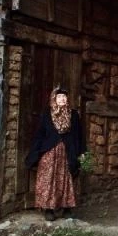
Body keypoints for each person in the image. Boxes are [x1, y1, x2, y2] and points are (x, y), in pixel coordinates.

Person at [25, 87, 86, 221]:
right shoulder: (47, 114)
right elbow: (40, 133)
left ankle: (67, 208)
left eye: (64, 97)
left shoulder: (73, 114)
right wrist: (36, 152)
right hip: (50, 152)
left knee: (66, 178)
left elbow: (79, 135)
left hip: (67, 151)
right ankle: (48, 209)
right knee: (48, 179)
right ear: (54, 99)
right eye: (59, 97)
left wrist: (81, 152)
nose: (62, 99)